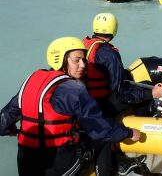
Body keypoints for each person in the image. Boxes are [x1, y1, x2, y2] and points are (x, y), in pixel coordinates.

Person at [0, 37, 140, 176]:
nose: (83, 65)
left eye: (84, 59)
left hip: (26, 167)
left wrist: (9, 130)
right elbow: (101, 129)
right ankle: (115, 168)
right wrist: (129, 133)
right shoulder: (75, 89)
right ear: (61, 59)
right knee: (100, 138)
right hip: (60, 168)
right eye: (76, 60)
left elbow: (3, 122)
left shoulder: (31, 82)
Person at [83, 12, 162, 117]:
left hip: (89, 101)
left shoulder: (86, 45)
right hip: (103, 106)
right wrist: (151, 94)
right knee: (148, 89)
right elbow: (120, 93)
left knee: (145, 84)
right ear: (114, 28)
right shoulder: (110, 54)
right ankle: (141, 123)